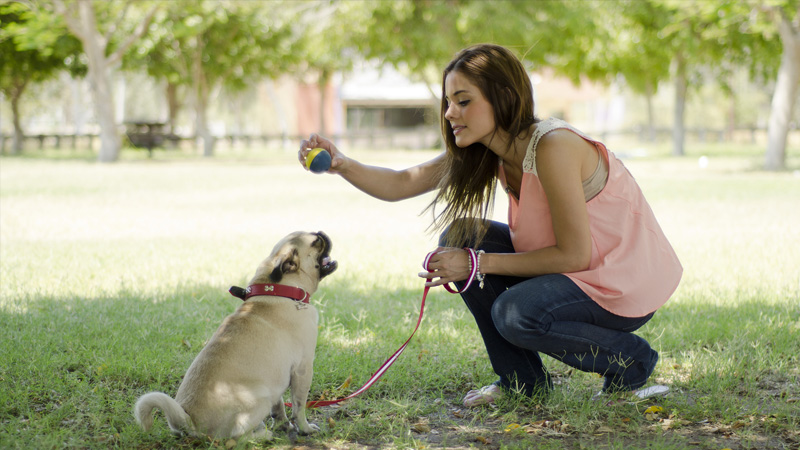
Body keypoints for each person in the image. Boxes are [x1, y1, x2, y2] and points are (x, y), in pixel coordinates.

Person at [298, 44, 682, 407]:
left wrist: (476, 264)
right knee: (462, 235)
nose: (450, 113)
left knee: (516, 312)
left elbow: (574, 254)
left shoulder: (554, 146)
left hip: (616, 281)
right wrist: (342, 164)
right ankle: (523, 383)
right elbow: (402, 182)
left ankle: (631, 360)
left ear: (503, 98)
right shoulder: (487, 151)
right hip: (575, 271)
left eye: (463, 101)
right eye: (448, 102)